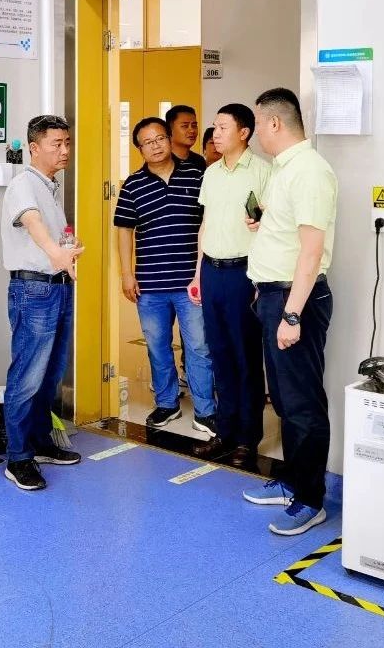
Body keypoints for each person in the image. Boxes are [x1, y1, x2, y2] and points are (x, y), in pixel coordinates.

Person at [240, 88, 338, 536]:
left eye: (258, 123)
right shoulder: (284, 170)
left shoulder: (310, 171)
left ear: (275, 123)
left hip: (296, 301)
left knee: (302, 403)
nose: (256, 132)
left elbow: (312, 252)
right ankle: (293, 482)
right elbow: (290, 234)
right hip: (274, 296)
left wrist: (292, 315)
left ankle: (311, 500)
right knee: (282, 398)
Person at [114, 117, 216, 435]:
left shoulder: (197, 175)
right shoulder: (133, 185)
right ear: (139, 149)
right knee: (158, 347)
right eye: (148, 142)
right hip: (150, 284)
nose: (156, 146)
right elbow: (124, 230)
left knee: (198, 347)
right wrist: (127, 274)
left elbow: (209, 222)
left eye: (160, 138)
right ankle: (167, 404)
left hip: (191, 283)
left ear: (169, 139)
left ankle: (206, 410)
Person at [0, 115, 84, 491]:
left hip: (58, 288)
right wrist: (56, 252)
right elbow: (32, 222)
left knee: (50, 375)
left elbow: (49, 233)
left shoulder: (50, 187)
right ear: (34, 148)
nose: (65, 150)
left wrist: (66, 249)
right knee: (27, 376)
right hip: (33, 291)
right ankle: (18, 458)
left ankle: (40, 442)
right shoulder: (23, 184)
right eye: (56, 144)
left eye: (67, 143)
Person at [189, 104, 271, 468]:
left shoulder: (263, 172)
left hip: (244, 274)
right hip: (212, 271)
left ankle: (248, 439)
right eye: (215, 127)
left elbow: (269, 229)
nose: (215, 133)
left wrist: (261, 278)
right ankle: (225, 432)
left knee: (245, 356)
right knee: (219, 353)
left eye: (223, 127)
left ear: (244, 132)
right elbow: (205, 225)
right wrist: (197, 274)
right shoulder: (211, 173)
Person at [165, 105, 208, 172]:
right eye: (185, 126)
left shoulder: (199, 161)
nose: (192, 130)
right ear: (169, 129)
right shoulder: (162, 160)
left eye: (194, 126)